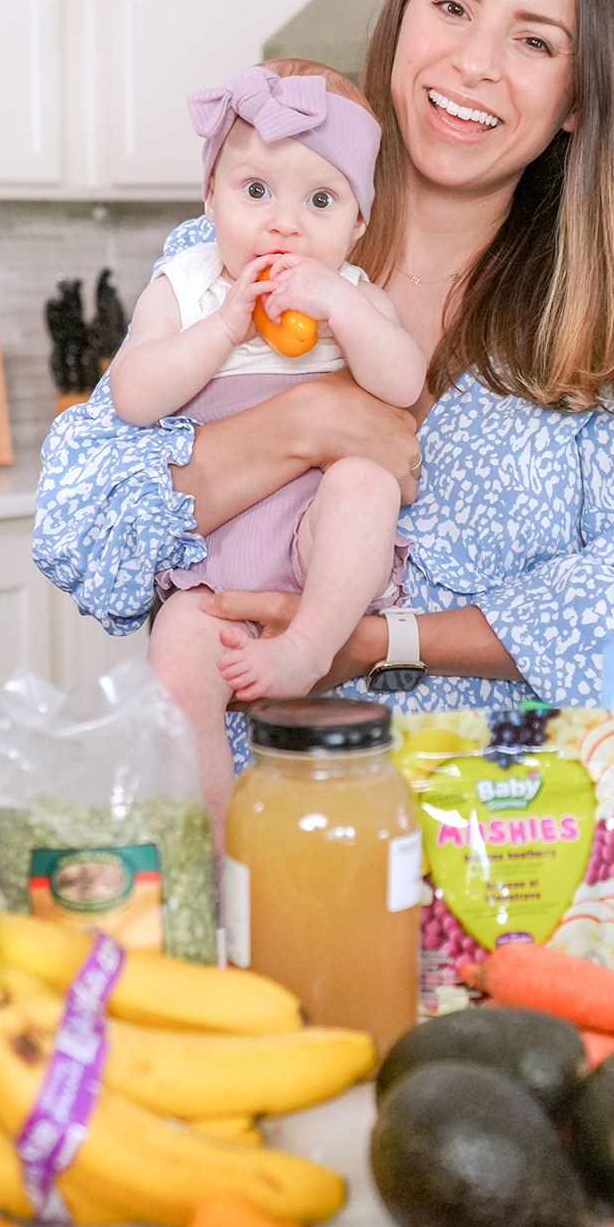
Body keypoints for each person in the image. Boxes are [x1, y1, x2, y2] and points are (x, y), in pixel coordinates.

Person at [34, 0, 614, 834]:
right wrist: (301, 424)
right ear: (402, 19)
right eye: (452, 7)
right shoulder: (239, 249)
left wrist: (373, 638)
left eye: (535, 40)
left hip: (505, 852)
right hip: (264, 822)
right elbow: (76, 526)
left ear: (578, 95)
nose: (476, 62)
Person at [107, 61, 424, 831]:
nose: (284, 225)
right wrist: (221, 330)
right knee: (177, 680)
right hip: (213, 564)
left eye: (320, 200)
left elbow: (405, 383)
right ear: (210, 198)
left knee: (367, 488)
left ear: (356, 224)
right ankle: (222, 859)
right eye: (256, 192)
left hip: (316, 538)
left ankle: (310, 646)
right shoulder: (184, 289)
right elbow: (132, 394)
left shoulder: (350, 289)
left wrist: (342, 307)